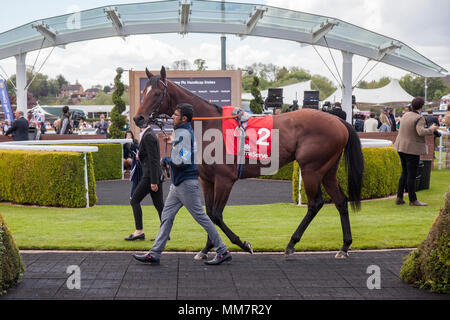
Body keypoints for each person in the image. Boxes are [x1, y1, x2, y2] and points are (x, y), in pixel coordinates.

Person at [132, 103, 232, 266]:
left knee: (201, 218)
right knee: (166, 216)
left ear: (184, 118)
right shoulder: (182, 132)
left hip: (186, 183)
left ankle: (222, 250)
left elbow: (183, 160)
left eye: (175, 115)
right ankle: (155, 253)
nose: (172, 117)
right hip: (178, 184)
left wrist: (167, 160)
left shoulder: (184, 134)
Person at [394, 97, 439, 206]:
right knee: (412, 175)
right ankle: (413, 200)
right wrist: (432, 129)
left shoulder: (405, 115)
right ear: (422, 106)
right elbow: (420, 132)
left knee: (404, 172)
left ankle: (399, 198)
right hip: (411, 149)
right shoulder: (419, 118)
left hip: (400, 147)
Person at [125, 124, 164, 241]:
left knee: (135, 200)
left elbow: (153, 160)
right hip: (154, 175)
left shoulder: (148, 136)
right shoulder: (149, 134)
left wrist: (153, 181)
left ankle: (139, 231)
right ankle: (165, 233)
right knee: (159, 205)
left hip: (150, 176)